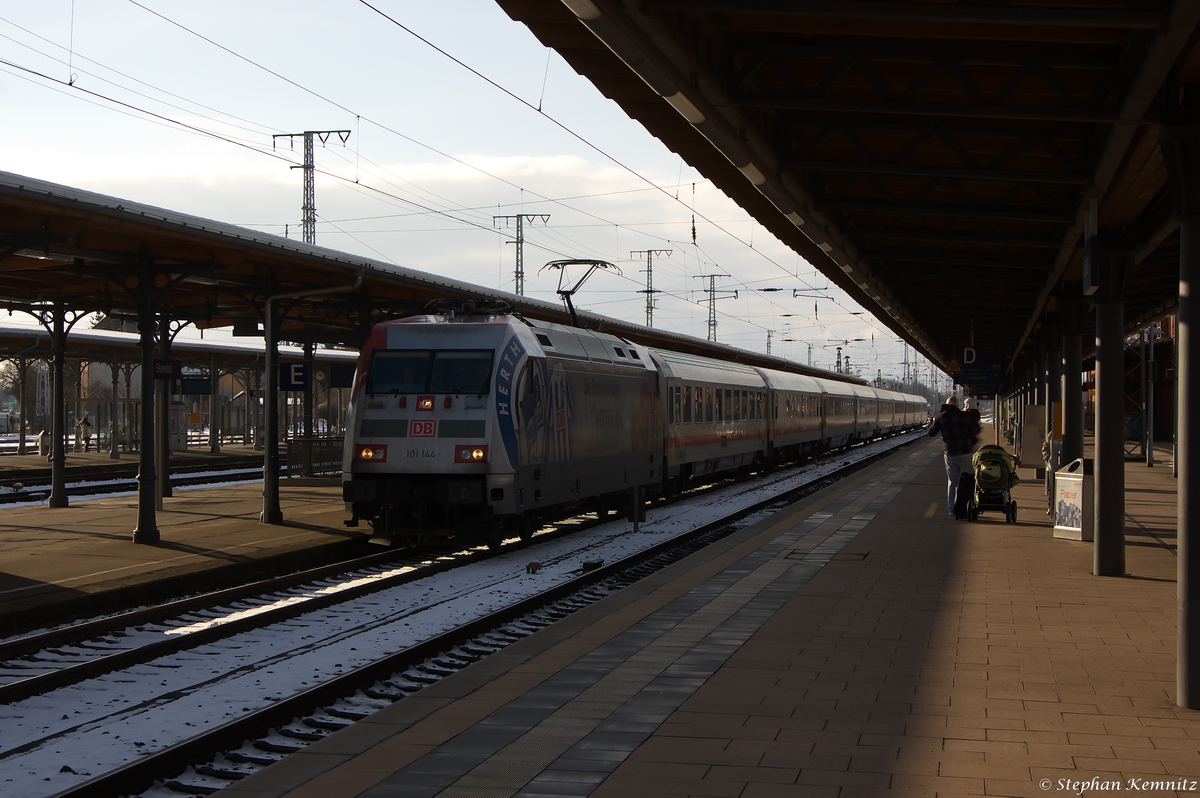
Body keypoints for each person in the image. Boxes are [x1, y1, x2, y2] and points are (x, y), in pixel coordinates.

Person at [928, 395, 981, 517]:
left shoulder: (940, 417)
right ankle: (966, 506)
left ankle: (951, 509)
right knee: (967, 480)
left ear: (946, 404)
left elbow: (931, 433)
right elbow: (976, 430)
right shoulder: (964, 415)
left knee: (952, 482)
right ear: (957, 405)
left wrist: (930, 424)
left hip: (950, 454)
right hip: (965, 452)